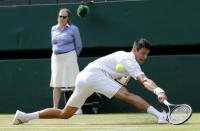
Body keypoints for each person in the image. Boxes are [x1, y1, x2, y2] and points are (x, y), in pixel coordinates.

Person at [13, 38, 169, 125]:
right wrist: (158, 90)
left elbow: (121, 81)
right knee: (127, 95)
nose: (144, 57)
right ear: (135, 50)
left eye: (147, 54)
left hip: (84, 76)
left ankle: (24, 116)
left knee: (65, 114)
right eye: (142, 53)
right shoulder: (130, 60)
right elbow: (144, 80)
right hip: (95, 75)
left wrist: (122, 80)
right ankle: (160, 116)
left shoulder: (124, 58)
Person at [50, 8, 83, 113]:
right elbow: (54, 44)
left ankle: (77, 108)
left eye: (64, 17)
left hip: (70, 56)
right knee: (56, 84)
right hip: (56, 58)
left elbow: (79, 46)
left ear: (68, 18)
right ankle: (55, 108)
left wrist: (72, 56)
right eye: (60, 16)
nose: (62, 18)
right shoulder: (53, 29)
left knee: (73, 83)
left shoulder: (74, 29)